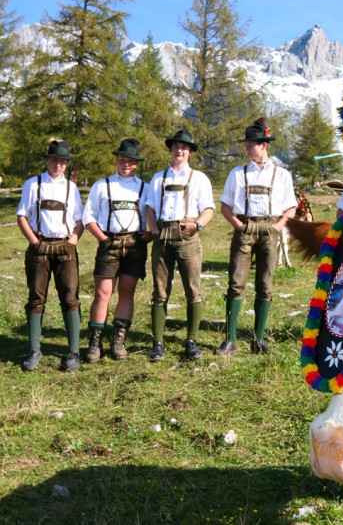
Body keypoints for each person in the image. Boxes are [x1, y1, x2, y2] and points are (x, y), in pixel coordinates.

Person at [218, 117, 297, 355]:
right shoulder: (237, 173)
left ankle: (258, 340)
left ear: (264, 145)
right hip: (245, 228)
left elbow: (291, 206)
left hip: (269, 230)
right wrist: (236, 225)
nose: (246, 147)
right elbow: (225, 205)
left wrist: (280, 224)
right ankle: (230, 340)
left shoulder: (282, 175)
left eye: (250, 144)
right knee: (236, 283)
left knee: (265, 284)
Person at [146, 129, 215, 361]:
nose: (179, 150)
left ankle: (191, 340)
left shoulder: (199, 178)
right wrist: (155, 231)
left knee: (192, 290)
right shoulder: (159, 178)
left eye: (184, 147)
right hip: (163, 235)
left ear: (190, 152)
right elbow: (150, 209)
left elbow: (208, 209)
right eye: (176, 146)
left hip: (188, 236)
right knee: (160, 291)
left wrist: (198, 225)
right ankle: (157, 342)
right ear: (171, 149)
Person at [16, 139, 84, 372]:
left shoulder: (71, 188)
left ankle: (73, 353)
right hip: (40, 245)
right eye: (54, 159)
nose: (58, 165)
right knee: (36, 297)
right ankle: (34, 349)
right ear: (48, 160)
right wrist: (34, 241)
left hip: (65, 247)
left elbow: (79, 219)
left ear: (66, 164)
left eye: (62, 161)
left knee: (70, 297)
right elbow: (22, 216)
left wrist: (73, 240)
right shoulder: (32, 184)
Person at [82, 138, 152, 362]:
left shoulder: (145, 187)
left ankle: (118, 341)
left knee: (127, 292)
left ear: (137, 164)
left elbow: (155, 216)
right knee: (103, 293)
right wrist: (102, 238)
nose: (126, 164)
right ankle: (95, 342)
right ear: (117, 160)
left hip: (135, 245)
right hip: (109, 243)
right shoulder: (102, 185)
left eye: (131, 161)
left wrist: (147, 236)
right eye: (123, 160)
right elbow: (88, 216)